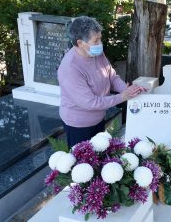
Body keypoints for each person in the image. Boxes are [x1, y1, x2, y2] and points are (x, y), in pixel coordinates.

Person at [58, 16, 146, 147]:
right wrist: (123, 96)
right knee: (83, 163)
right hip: (79, 124)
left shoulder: (96, 53)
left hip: (98, 117)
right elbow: (91, 103)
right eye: (96, 40)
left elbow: (111, 75)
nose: (100, 44)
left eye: (100, 38)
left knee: (99, 157)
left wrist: (126, 89)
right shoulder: (70, 68)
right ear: (80, 43)